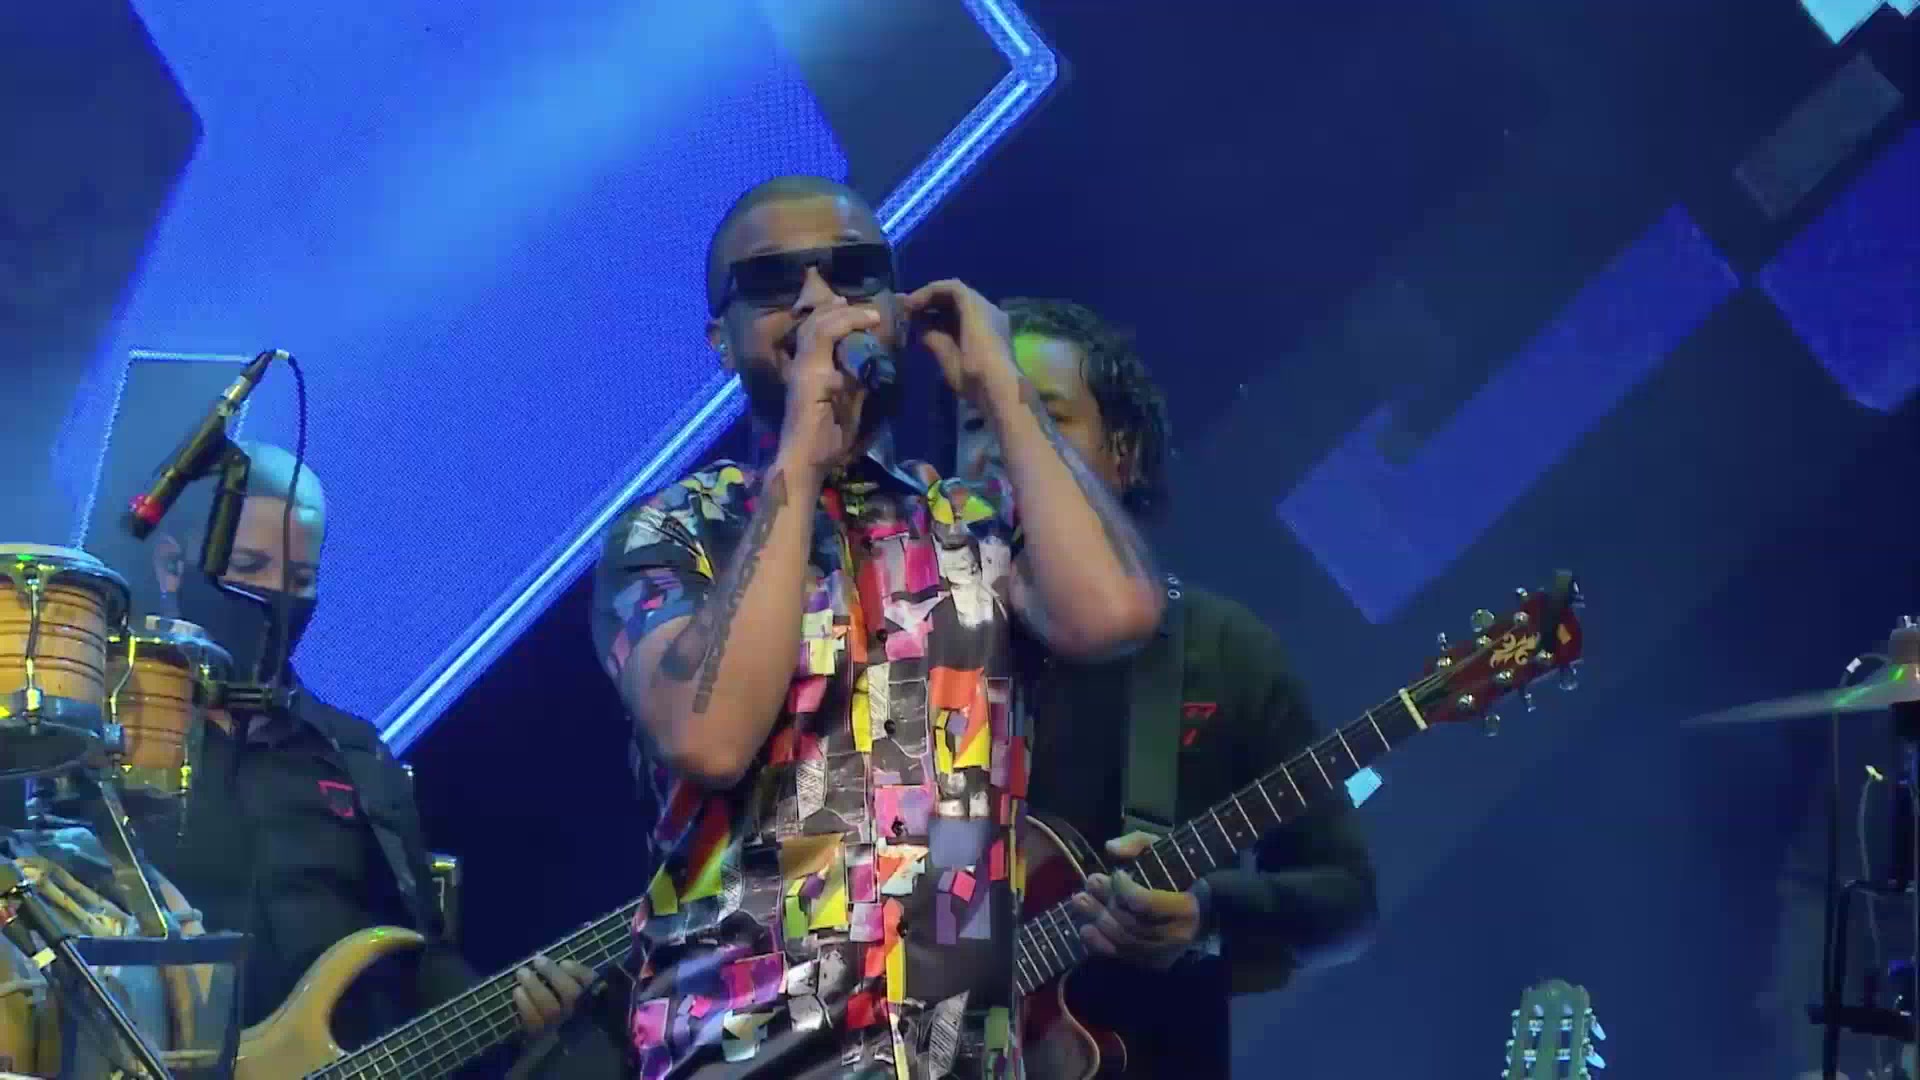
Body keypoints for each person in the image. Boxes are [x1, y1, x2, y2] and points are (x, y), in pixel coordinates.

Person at [590, 176, 1165, 1078]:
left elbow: (1119, 612)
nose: (819, 300)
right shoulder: (674, 531)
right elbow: (709, 736)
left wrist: (1003, 386)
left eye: (854, 272)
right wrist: (802, 455)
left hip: (960, 1053)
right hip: (754, 1056)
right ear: (721, 339)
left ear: (896, 310)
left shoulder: (971, 521)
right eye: (775, 282)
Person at [0, 441, 598, 1077]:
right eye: (249, 567)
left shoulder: (353, 753)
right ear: (173, 566)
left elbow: (420, 959)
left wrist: (520, 1007)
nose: (274, 598)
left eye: (300, 580)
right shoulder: (83, 743)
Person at [954, 298, 1378, 1077]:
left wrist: (1210, 913)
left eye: (1040, 417)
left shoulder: (1221, 651)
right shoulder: (913, 649)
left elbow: (1346, 903)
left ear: (1125, 456)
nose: (1000, 446)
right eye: (977, 422)